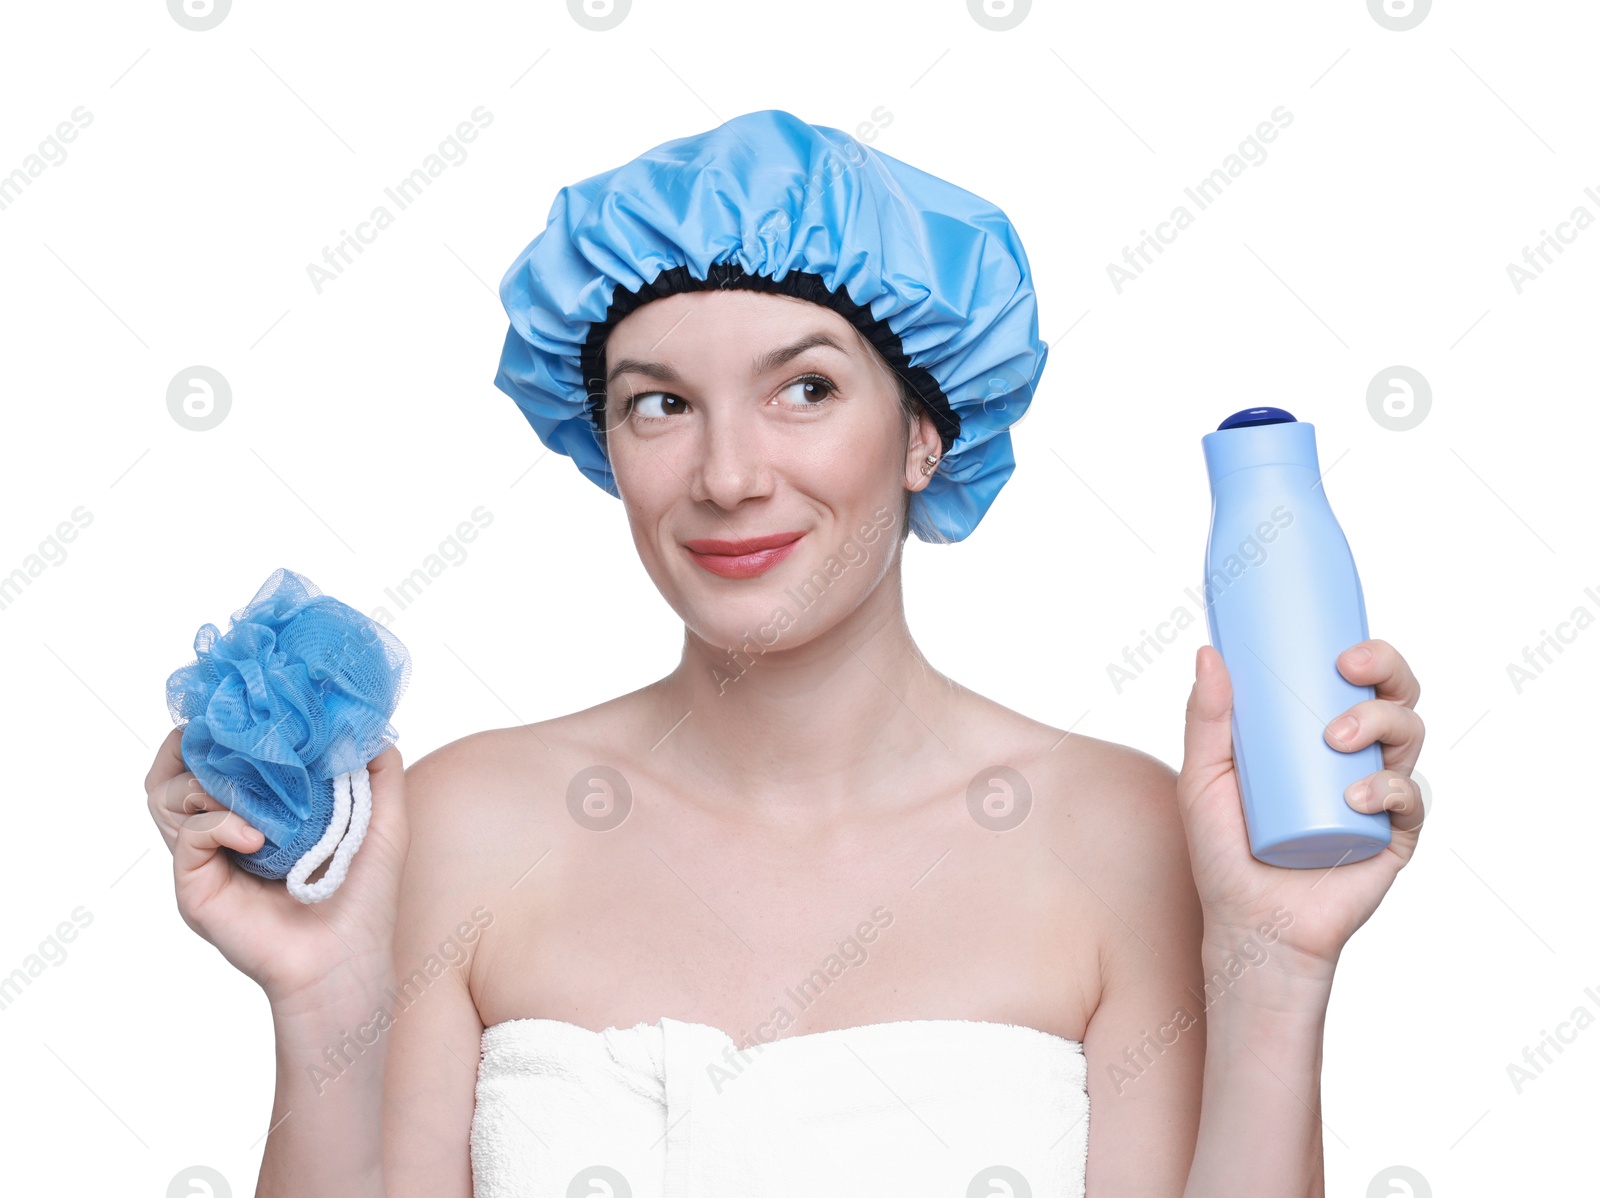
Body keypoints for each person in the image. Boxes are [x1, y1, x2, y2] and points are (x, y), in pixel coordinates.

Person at [144, 110, 1426, 1197]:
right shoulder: (465, 823)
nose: (728, 474)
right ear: (605, 447)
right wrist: (320, 1006)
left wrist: (1276, 966)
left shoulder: (1121, 832)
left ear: (925, 431)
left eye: (804, 388)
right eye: (661, 403)